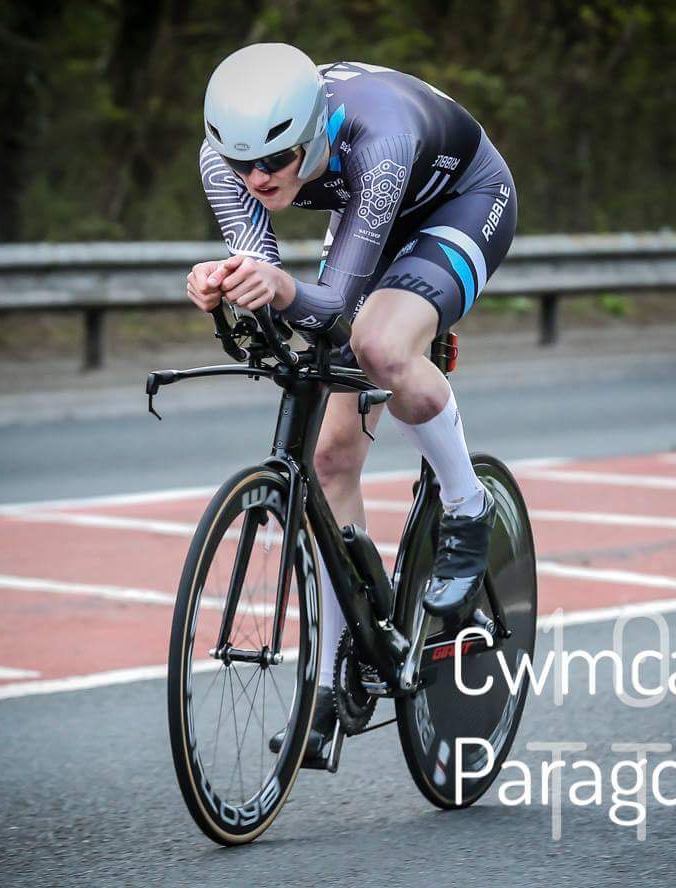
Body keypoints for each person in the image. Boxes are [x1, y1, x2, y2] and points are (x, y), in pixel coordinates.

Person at [187, 43, 517, 766]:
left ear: (312, 132)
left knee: (379, 345)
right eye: (242, 163)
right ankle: (336, 674)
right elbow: (265, 271)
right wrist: (226, 281)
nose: (257, 178)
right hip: (369, 209)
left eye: (276, 160)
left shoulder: (381, 137)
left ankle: (467, 508)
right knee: (331, 457)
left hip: (461, 202)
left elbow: (332, 304)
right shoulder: (224, 160)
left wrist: (281, 290)